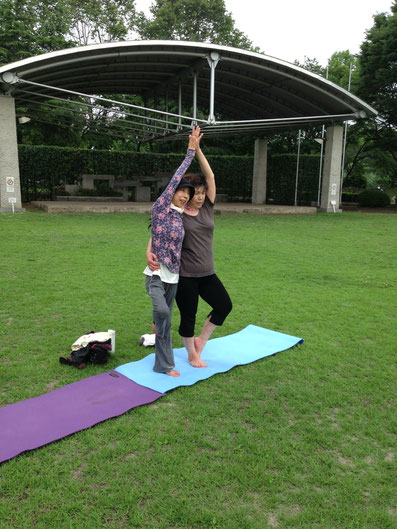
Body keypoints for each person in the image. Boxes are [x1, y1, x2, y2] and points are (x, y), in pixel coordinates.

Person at [147, 133, 232, 368]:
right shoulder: (176, 213)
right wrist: (149, 251)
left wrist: (198, 149)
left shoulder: (207, 208)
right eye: (195, 193)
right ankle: (191, 354)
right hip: (185, 275)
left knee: (224, 305)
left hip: (208, 272)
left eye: (202, 193)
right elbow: (157, 230)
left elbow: (211, 176)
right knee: (189, 316)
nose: (199, 196)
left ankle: (201, 342)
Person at [143, 126, 201, 377]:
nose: (184, 196)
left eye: (188, 194)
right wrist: (191, 152)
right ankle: (157, 321)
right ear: (172, 192)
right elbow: (176, 178)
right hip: (155, 274)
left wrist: (149, 246)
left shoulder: (179, 219)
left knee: (165, 323)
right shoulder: (160, 209)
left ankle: (164, 365)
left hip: (173, 276)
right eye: (182, 192)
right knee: (164, 314)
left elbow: (157, 236)